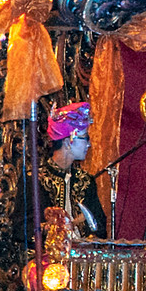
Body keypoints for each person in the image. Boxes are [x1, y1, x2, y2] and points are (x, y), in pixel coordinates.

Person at [17, 101, 104, 240]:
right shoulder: (35, 179)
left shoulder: (86, 181)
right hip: (47, 258)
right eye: (85, 138)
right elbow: (21, 229)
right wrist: (53, 228)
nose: (89, 144)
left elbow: (100, 227)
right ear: (69, 141)